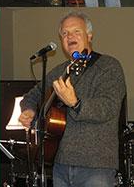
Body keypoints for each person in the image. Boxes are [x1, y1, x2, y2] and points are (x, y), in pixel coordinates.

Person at [18, 11, 125, 187]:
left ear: (89, 36)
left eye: (76, 31)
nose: (70, 37)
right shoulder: (60, 69)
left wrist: (75, 103)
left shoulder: (109, 66)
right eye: (65, 34)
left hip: (96, 166)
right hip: (60, 165)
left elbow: (109, 106)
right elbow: (32, 95)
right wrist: (28, 109)